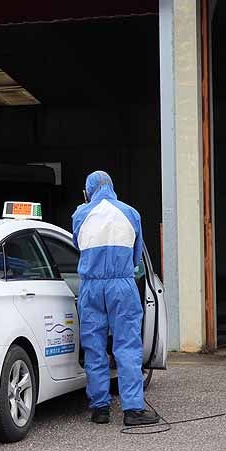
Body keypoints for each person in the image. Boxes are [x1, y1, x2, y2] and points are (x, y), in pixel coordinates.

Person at [72, 170, 160, 427]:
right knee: (127, 346)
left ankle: (100, 408)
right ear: (111, 187)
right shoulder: (131, 213)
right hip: (121, 284)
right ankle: (132, 409)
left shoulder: (80, 214)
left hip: (90, 287)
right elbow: (136, 256)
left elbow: (77, 245)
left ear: (89, 191)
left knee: (94, 347)